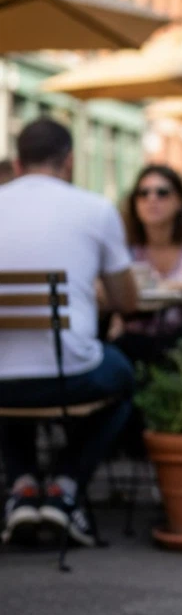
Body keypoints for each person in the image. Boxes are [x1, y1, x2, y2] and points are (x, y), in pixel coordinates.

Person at [0, 119, 137, 546]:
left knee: (11, 374)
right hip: (70, 376)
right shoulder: (95, 208)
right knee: (124, 379)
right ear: (70, 160)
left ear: (18, 161)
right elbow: (127, 302)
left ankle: (22, 484)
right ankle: (65, 485)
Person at [113, 164, 182, 364]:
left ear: (179, 201)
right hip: (132, 337)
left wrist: (170, 286)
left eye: (162, 193)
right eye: (143, 193)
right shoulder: (123, 240)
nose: (152, 199)